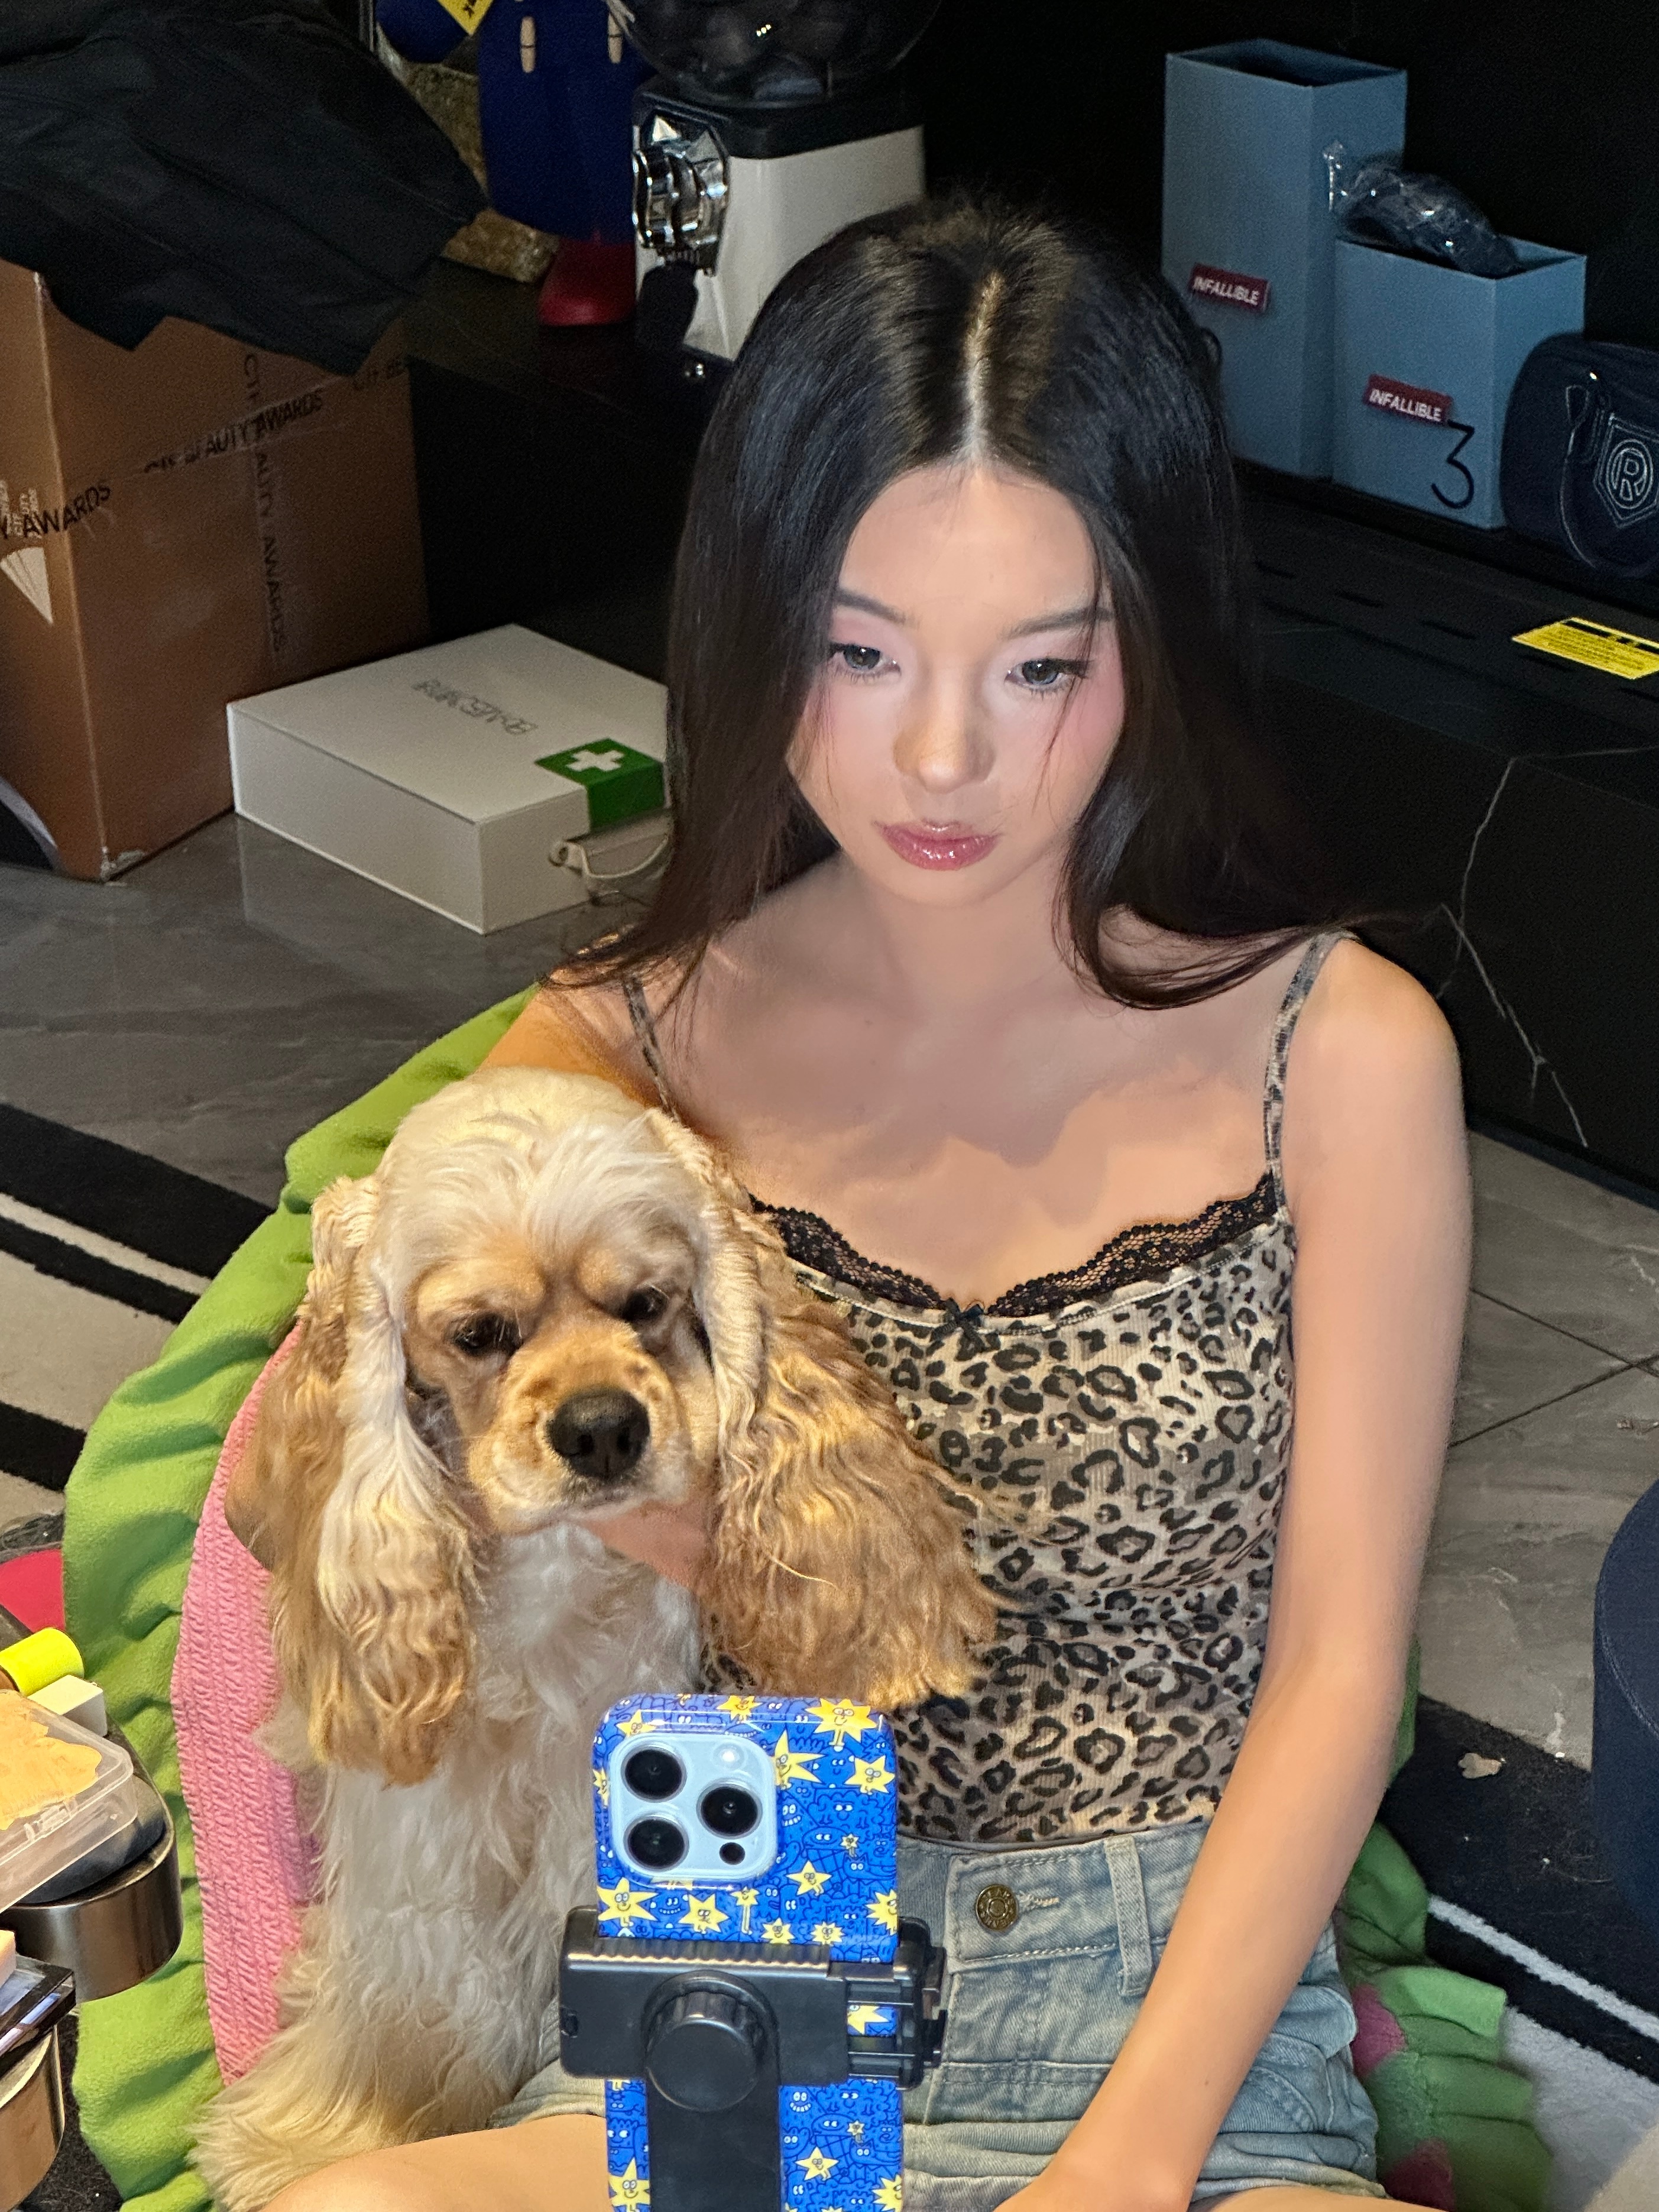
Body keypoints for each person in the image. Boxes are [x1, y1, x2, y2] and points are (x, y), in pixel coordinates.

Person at [268, 197, 1468, 2211]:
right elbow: (345, 1474)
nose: (939, 755)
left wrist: (1122, 2171)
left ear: (1154, 641)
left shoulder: (1340, 1057)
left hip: (1177, 2025)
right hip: (734, 1953)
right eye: (857, 649)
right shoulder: (613, 1065)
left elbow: (1340, 1673)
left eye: (1040, 667)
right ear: (756, 625)